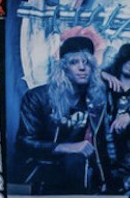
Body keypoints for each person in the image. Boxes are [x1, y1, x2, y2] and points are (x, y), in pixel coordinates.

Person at [15, 33, 111, 194]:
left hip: (82, 174)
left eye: (87, 62)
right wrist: (66, 147)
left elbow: (105, 144)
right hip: (46, 172)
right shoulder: (37, 97)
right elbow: (24, 143)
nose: (82, 67)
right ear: (63, 67)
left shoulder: (96, 99)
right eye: (74, 62)